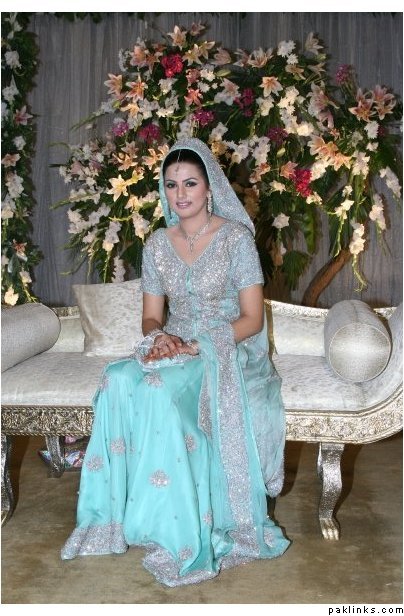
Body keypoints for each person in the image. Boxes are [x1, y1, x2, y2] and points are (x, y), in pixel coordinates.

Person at [61, 137, 290, 586]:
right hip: (173, 343)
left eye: (190, 183)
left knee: (157, 386)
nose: (180, 194)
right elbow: (150, 316)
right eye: (171, 185)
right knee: (117, 378)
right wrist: (161, 337)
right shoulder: (157, 244)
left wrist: (200, 345)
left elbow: (252, 318)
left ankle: (177, 532)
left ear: (209, 187)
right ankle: (106, 521)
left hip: (223, 346)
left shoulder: (235, 240)